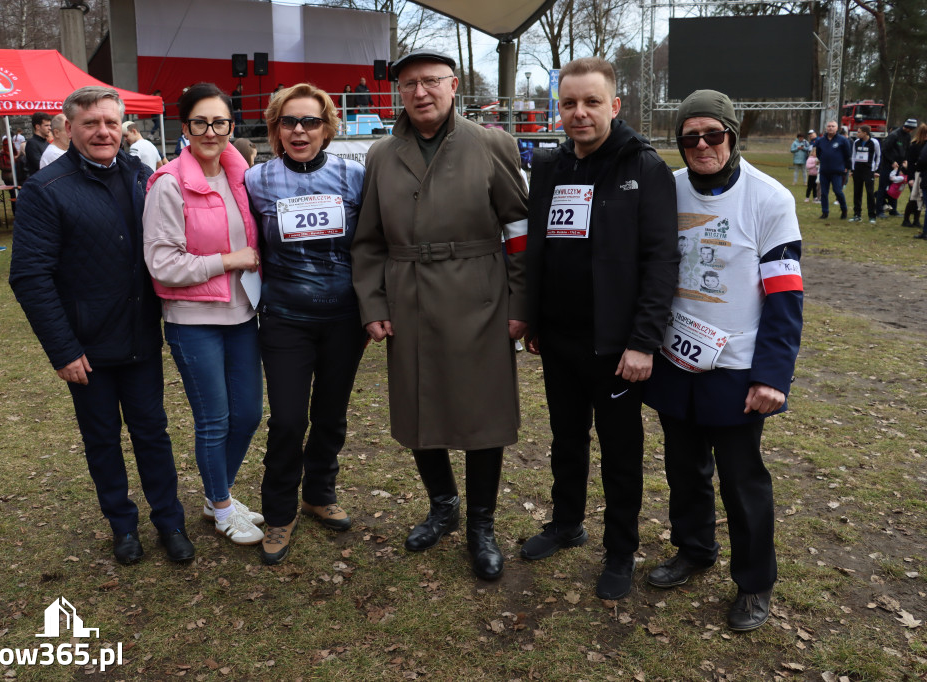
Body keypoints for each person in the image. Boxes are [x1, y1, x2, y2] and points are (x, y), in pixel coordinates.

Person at [351, 49, 528, 581]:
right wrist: (373, 303)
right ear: (398, 93)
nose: (420, 92)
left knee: (483, 413)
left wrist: (521, 303)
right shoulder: (382, 154)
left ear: (454, 86)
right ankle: (443, 505)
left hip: (479, 292)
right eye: (409, 84)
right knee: (418, 406)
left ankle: (481, 525)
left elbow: (519, 229)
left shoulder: (492, 143)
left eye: (431, 81)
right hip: (408, 296)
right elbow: (368, 240)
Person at [9, 86, 195, 566]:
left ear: (124, 126)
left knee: (153, 432)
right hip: (86, 347)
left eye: (111, 122)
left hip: (140, 337)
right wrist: (63, 350)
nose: (103, 132)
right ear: (68, 128)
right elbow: (30, 277)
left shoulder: (142, 177)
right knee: (102, 439)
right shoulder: (44, 190)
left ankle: (169, 521)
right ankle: (122, 526)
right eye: (91, 123)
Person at [644, 90, 803, 632]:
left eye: (713, 134)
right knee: (683, 469)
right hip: (675, 358)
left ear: (733, 136)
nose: (702, 146)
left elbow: (784, 295)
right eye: (690, 138)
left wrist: (772, 376)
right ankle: (694, 550)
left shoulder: (769, 198)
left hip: (736, 367)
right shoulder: (668, 190)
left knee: (742, 480)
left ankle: (755, 583)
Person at [520, 57, 679, 600]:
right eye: (569, 103)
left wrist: (642, 342)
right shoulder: (551, 166)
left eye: (591, 102)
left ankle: (620, 550)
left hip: (615, 347)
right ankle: (567, 524)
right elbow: (538, 247)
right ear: (558, 109)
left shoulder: (644, 168)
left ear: (614, 106)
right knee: (565, 440)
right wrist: (535, 319)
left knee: (620, 451)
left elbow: (661, 262)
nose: (579, 113)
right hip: (558, 338)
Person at [245, 83, 367, 565]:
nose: (299, 130)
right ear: (276, 128)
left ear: (326, 127)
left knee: (332, 413)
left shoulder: (354, 176)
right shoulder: (257, 181)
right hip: (285, 321)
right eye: (289, 121)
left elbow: (373, 244)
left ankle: (319, 493)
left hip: (344, 318)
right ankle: (278, 512)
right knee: (289, 419)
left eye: (310, 121)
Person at [143, 82, 266, 549]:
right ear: (186, 127)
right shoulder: (169, 183)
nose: (211, 131)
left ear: (232, 126)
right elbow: (163, 264)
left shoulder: (240, 175)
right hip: (192, 319)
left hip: (241, 314)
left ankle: (219, 494)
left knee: (249, 414)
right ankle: (220, 507)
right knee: (214, 419)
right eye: (201, 122)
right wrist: (230, 260)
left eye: (220, 122)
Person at [875, 118, 916, 219]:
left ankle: (893, 210)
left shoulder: (907, 136)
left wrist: (905, 160)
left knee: (895, 188)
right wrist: (892, 161)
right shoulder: (894, 135)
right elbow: (884, 150)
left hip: (899, 167)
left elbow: (907, 150)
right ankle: (879, 210)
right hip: (887, 166)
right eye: (909, 128)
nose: (910, 130)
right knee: (883, 187)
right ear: (906, 126)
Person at [811, 120, 850, 220]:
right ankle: (825, 212)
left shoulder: (842, 140)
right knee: (824, 192)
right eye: (829, 126)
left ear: (837, 128)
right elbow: (818, 153)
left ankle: (844, 210)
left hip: (837, 171)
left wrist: (846, 167)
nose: (830, 128)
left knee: (838, 191)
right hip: (824, 171)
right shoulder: (820, 140)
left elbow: (847, 155)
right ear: (826, 128)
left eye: (833, 126)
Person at [849, 125, 881, 224]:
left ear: (865, 133)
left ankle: (872, 216)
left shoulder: (874, 142)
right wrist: (853, 169)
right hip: (858, 170)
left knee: (870, 193)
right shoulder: (856, 142)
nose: (857, 134)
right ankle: (857, 215)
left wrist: (875, 169)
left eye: (859, 132)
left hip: (868, 170)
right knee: (857, 192)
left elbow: (878, 156)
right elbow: (853, 155)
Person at [902, 123, 927, 228]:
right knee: (914, 198)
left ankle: (916, 219)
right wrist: (911, 178)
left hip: (921, 173)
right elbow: (911, 163)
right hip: (917, 174)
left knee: (920, 199)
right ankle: (906, 219)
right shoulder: (915, 145)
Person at [23, 111, 52, 178]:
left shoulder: (47, 143)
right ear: (37, 127)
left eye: (50, 125)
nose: (50, 128)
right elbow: (40, 165)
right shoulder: (32, 144)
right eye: (46, 125)